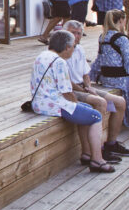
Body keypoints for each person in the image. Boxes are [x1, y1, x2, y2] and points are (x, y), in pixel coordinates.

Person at [30, 31, 115, 173]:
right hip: (53, 105)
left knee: (86, 109)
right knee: (95, 116)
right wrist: (76, 104)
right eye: (73, 47)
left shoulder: (42, 56)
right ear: (67, 47)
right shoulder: (59, 62)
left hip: (39, 103)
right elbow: (67, 92)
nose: (74, 50)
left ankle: (87, 154)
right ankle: (97, 160)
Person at [62, 20, 129, 160]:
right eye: (73, 33)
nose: (76, 36)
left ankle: (111, 143)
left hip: (83, 87)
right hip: (70, 89)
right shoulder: (63, 51)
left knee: (120, 102)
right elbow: (66, 81)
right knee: (100, 103)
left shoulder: (79, 49)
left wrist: (89, 86)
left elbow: (85, 74)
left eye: (79, 33)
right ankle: (96, 150)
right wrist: (85, 90)